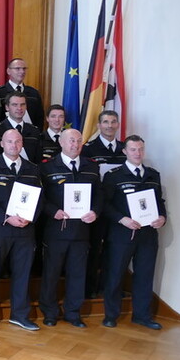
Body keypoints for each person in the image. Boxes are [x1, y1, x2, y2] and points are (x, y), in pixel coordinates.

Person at [0, 129, 43, 331]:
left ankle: (20, 315)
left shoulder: (32, 169)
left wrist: (29, 218)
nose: (14, 146)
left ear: (22, 144)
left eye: (17, 142)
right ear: (2, 144)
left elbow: (40, 198)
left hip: (25, 231)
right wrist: (6, 218)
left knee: (23, 274)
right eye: (9, 142)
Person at [100, 135, 167, 330]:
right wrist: (122, 219)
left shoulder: (153, 175)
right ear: (125, 151)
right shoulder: (114, 175)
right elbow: (105, 205)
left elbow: (159, 202)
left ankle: (142, 316)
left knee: (145, 275)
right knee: (115, 275)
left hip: (147, 235)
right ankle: (111, 315)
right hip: (121, 235)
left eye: (140, 149)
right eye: (133, 150)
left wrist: (162, 218)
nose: (137, 153)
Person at [38, 129, 103, 327]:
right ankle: (49, 312)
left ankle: (73, 312)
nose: (75, 144)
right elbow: (40, 197)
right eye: (71, 141)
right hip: (57, 229)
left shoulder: (91, 167)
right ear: (62, 143)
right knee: (51, 273)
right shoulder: (47, 167)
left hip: (82, 230)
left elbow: (99, 195)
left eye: (78, 141)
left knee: (78, 273)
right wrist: (52, 211)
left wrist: (95, 211)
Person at [81, 110, 126, 296]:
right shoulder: (89, 148)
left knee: (115, 250)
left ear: (117, 125)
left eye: (113, 122)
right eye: (105, 122)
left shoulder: (125, 149)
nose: (109, 125)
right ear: (99, 125)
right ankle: (91, 288)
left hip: (119, 207)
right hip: (97, 206)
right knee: (93, 249)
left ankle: (111, 288)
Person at [0, 92, 42, 163]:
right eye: (15, 105)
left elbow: (38, 160)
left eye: (22, 104)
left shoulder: (34, 131)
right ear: (7, 107)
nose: (19, 108)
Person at [0, 58, 44, 127]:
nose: (22, 72)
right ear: (8, 71)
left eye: (24, 69)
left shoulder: (34, 93)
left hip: (29, 135)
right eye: (18, 68)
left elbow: (39, 118)